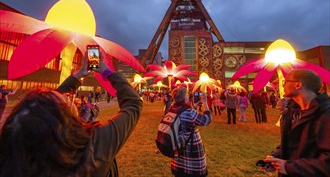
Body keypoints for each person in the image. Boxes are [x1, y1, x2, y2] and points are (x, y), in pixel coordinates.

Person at [0, 51, 143, 177]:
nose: (70, 101)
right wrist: (105, 71)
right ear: (61, 121)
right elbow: (133, 104)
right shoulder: (94, 144)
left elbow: (50, 105)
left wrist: (80, 74)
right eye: (66, 103)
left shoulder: (16, 155)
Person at [264, 69, 330, 176]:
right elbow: (292, 144)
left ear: (298, 85)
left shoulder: (325, 114)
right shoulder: (289, 113)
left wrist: (289, 167)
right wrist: (276, 157)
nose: (283, 85)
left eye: (285, 82)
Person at [170, 86, 212, 176]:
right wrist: (205, 103)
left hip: (178, 155)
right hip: (191, 155)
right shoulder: (189, 112)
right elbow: (207, 120)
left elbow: (185, 113)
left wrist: (195, 105)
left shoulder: (171, 110)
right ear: (185, 97)